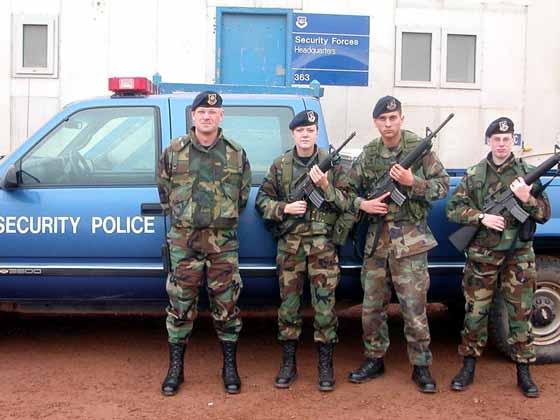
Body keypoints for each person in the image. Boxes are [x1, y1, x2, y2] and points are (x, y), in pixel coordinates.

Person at [347, 96, 449, 393]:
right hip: (377, 243)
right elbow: (346, 190)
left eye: (393, 118)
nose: (388, 124)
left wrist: (411, 182)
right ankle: (374, 359)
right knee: (372, 308)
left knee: (414, 308)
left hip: (411, 242)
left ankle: (421, 366)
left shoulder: (420, 149)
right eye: (383, 119)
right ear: (375, 122)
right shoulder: (369, 153)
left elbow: (443, 186)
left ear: (401, 119)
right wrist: (363, 204)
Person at [445, 117, 551, 398]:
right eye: (497, 139)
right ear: (489, 141)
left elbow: (544, 214)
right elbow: (453, 209)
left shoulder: (527, 173)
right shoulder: (475, 174)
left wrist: (527, 198)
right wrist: (482, 217)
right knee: (475, 313)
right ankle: (468, 367)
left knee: (520, 314)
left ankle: (524, 372)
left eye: (506, 139)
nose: (502, 144)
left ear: (512, 140)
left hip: (518, 256)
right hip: (483, 256)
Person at [156, 91, 251, 396]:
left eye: (213, 112)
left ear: (221, 116)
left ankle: (229, 367)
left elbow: (243, 195)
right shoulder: (175, 151)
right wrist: (185, 218)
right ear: (193, 116)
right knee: (180, 305)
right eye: (202, 112)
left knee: (227, 305)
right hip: (185, 242)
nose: (207, 116)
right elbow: (164, 191)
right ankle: (176, 369)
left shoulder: (236, 152)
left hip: (223, 243)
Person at [255, 110, 351, 392]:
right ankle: (289, 363)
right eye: (300, 131)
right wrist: (284, 208)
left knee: (325, 308)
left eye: (310, 130)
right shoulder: (281, 165)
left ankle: (325, 365)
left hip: (323, 248)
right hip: (290, 247)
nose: (305, 135)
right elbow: (261, 200)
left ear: (317, 132)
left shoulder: (333, 165)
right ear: (293, 134)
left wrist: (325, 186)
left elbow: (348, 203)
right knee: (289, 307)